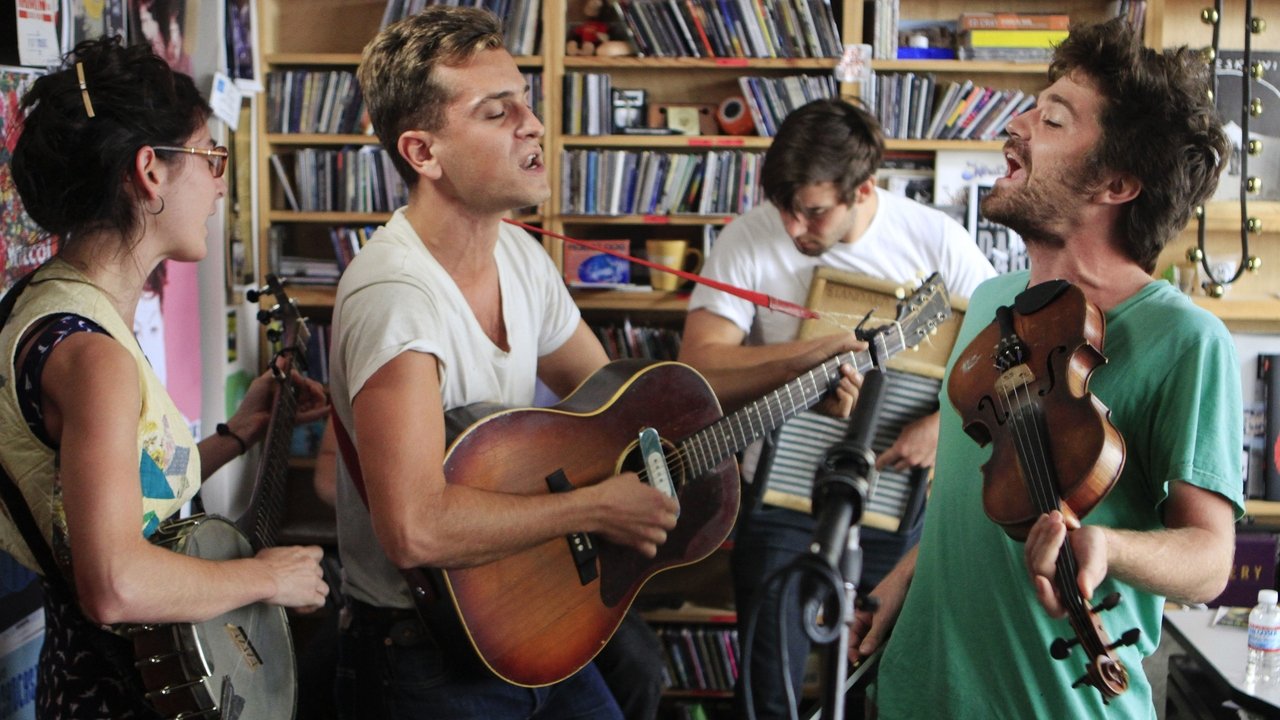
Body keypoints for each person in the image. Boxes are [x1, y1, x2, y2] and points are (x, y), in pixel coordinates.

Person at [853, 18, 1241, 718]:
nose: (1017, 124)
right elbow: (980, 490)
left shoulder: (1186, 339)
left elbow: (1211, 561)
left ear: (1117, 182)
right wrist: (907, 579)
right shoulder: (992, 303)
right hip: (919, 692)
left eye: (1053, 119)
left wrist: (1107, 547)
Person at [327, 7, 680, 719]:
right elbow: (415, 529)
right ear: (423, 153)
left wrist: (788, 375)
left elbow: (614, 401)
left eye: (526, 101)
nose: (534, 125)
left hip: (530, 605)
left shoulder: (519, 254)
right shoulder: (397, 299)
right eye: (498, 112)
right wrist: (592, 508)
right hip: (428, 651)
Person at [0, 37, 330, 719]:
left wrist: (239, 434)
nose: (219, 185)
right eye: (211, 157)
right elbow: (115, 584)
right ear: (150, 170)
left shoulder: (46, 304)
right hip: (122, 695)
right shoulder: (94, 358)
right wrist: (265, 577)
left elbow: (123, 494)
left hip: (83, 679)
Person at [677, 97, 996, 718]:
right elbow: (699, 367)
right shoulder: (749, 238)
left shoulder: (935, 240)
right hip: (780, 503)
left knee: (884, 689)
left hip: (895, 508)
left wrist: (946, 427)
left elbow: (1013, 359)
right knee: (769, 693)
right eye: (784, 207)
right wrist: (807, 359)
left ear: (864, 188)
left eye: (814, 211)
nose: (794, 227)